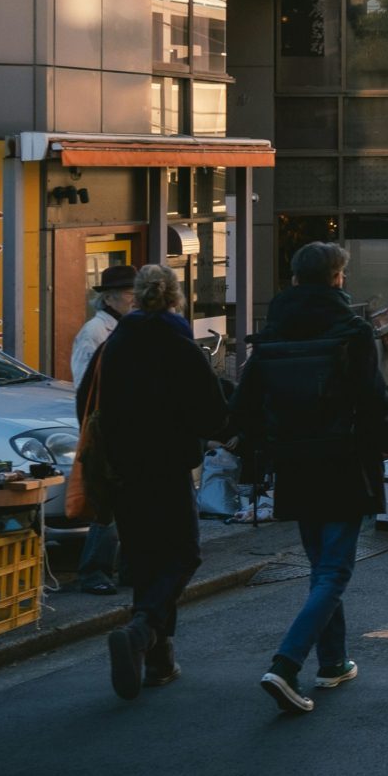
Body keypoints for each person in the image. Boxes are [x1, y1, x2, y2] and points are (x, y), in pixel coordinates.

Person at [234, 242, 388, 716]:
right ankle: (286, 664)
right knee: (334, 570)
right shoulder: (351, 330)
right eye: (342, 274)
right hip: (345, 460)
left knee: (320, 566)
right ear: (334, 278)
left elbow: (244, 405)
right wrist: (386, 441)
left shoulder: (272, 333)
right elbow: (372, 401)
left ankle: (333, 661)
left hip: (294, 464)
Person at [88, 263, 230, 700]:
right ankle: (144, 629)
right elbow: (212, 413)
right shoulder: (180, 348)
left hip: (122, 472)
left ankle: (158, 661)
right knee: (183, 554)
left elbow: (87, 402)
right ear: (174, 299)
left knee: (146, 560)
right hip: (168, 469)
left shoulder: (112, 348)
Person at [67, 264, 137, 595]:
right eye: (129, 294)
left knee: (125, 502)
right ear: (109, 298)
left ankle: (127, 568)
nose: (135, 299)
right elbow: (84, 387)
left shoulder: (128, 328)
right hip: (105, 428)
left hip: (122, 428)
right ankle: (93, 570)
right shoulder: (94, 333)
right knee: (105, 505)